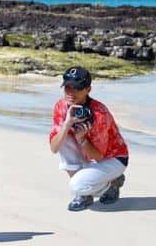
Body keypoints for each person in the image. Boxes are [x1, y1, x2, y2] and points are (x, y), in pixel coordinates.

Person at [49, 66, 129, 211]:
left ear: (88, 90)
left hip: (113, 158)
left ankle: (113, 182)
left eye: (77, 88)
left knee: (76, 186)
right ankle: (86, 194)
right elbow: (54, 148)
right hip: (88, 154)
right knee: (63, 137)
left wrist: (82, 139)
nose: (71, 92)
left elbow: (99, 157)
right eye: (68, 87)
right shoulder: (61, 107)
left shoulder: (99, 114)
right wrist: (67, 123)